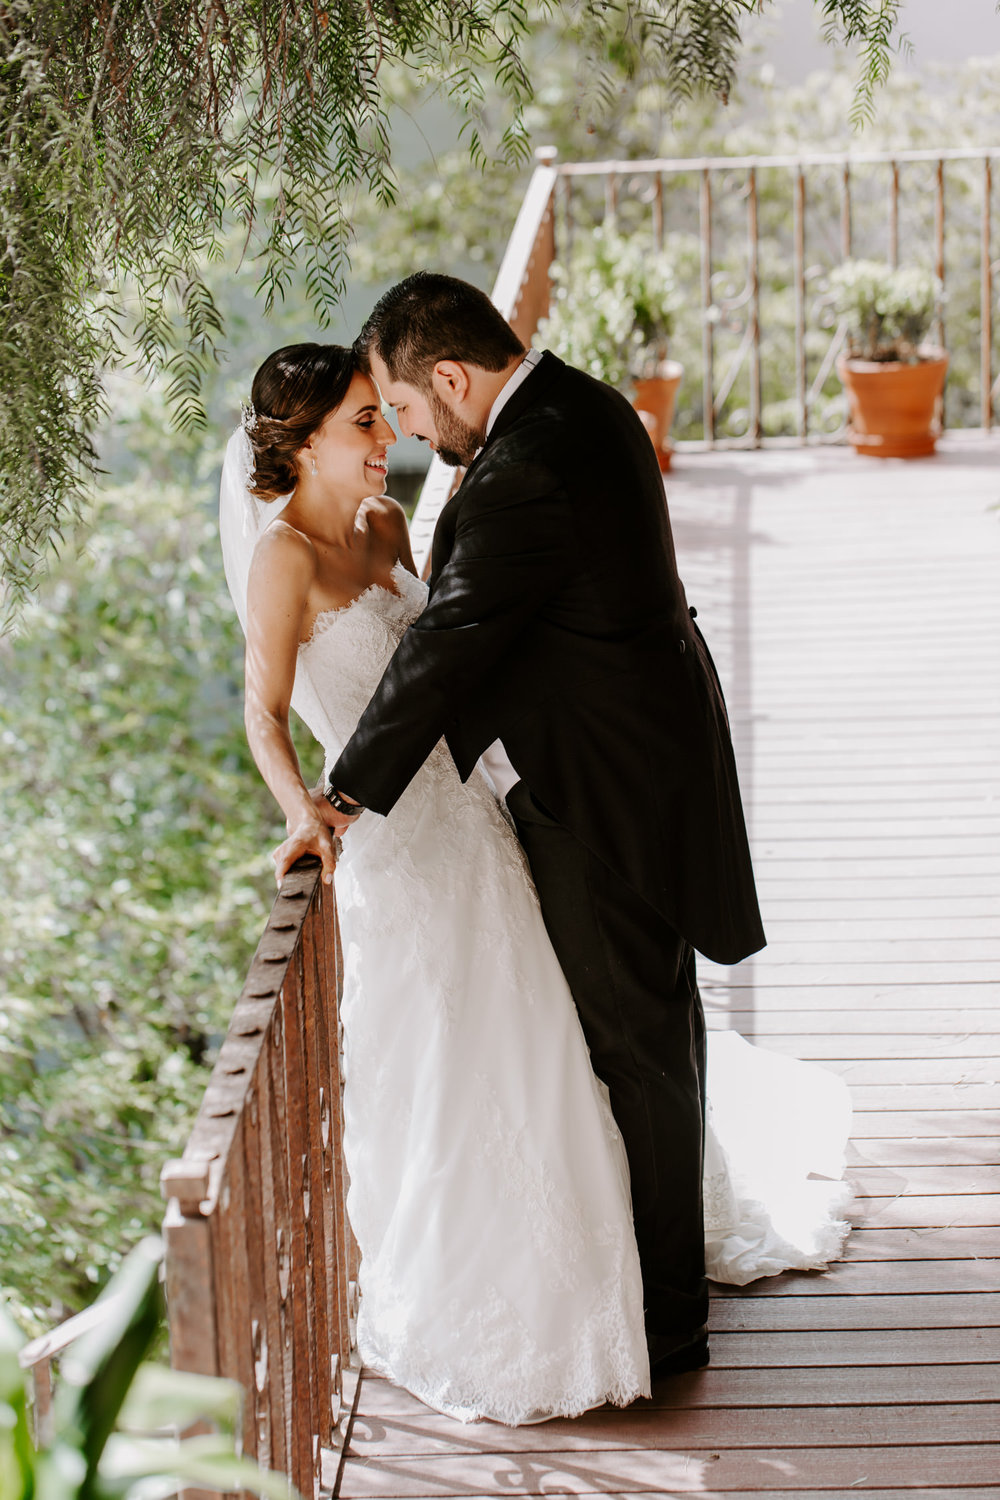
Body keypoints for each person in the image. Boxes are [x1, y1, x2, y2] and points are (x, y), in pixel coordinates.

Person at [219, 338, 852, 1427]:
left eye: (388, 416)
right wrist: (302, 817)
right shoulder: (282, 558)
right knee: (453, 1069)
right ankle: (503, 1293)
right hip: (396, 855)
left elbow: (453, 651)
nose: (389, 442)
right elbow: (262, 713)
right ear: (304, 443)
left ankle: (606, 1286)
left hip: (477, 821)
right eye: (364, 425)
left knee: (548, 1050)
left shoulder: (382, 527)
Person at [311, 272, 766, 1375]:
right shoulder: (579, 403)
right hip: (637, 761)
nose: (415, 437)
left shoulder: (524, 468)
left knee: (634, 1047)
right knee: (655, 1028)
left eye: (412, 413)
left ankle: (668, 1325)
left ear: (453, 378)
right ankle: (674, 1271)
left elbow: (452, 641)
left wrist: (340, 797)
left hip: (600, 793)